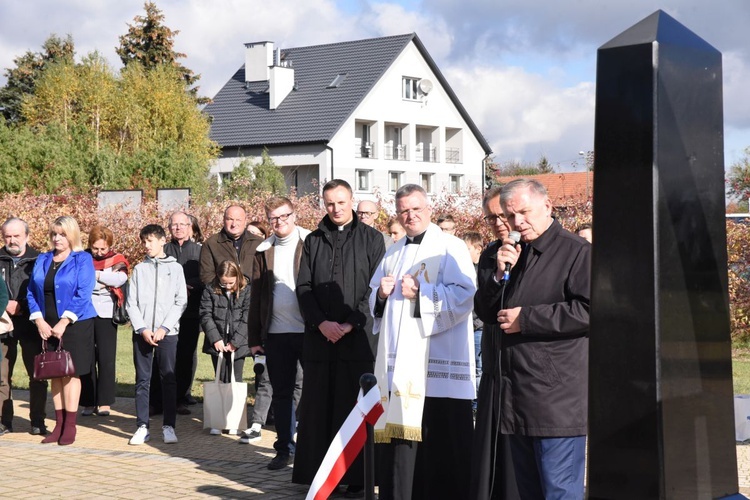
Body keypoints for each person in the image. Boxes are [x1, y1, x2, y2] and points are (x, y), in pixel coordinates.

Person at [473, 179, 590, 499]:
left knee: (558, 490)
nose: (516, 222)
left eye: (524, 212)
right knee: (526, 491)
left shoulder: (576, 252)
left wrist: (526, 319)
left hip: (555, 399)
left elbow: (589, 310)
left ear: (547, 207)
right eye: (510, 216)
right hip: (514, 396)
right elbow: (485, 312)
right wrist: (498, 276)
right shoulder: (506, 252)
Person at [370, 184, 477, 499]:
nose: (410, 215)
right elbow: (374, 302)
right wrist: (381, 294)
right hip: (400, 367)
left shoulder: (451, 246)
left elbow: (466, 294)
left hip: (438, 365)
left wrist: (423, 295)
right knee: (403, 447)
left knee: (441, 441)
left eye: (416, 209)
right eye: (403, 210)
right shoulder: (393, 251)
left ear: (428, 209)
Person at [293, 179, 385, 496]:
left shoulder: (372, 239)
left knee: (354, 408)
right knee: (318, 409)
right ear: (324, 203)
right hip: (320, 340)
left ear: (351, 201)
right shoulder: (313, 240)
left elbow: (374, 290)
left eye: (341, 202)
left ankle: (359, 477)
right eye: (330, 203)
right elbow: (303, 288)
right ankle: (318, 476)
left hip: (357, 341)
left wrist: (349, 325)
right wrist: (321, 324)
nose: (336, 209)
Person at [248, 196, 310, 469]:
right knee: (282, 393)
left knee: (311, 392)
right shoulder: (263, 250)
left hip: (309, 331)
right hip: (276, 334)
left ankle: (311, 448)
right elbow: (256, 297)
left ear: (294, 215)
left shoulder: (311, 242)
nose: (280, 222)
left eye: (284, 216)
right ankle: (284, 447)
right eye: (274, 218)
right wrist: (254, 340)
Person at [27, 216, 97, 445]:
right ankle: (58, 424)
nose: (57, 238)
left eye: (62, 234)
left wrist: (64, 321)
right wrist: (39, 320)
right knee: (55, 373)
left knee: (70, 373)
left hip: (75, 324)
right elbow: (31, 291)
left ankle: (70, 425)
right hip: (47, 325)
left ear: (72, 235)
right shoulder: (43, 258)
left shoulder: (82, 259)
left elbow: (84, 292)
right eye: (54, 234)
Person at [126, 224, 187, 445]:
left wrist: (164, 328)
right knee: (142, 380)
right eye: (144, 241)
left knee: (168, 379)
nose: (146, 245)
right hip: (143, 333)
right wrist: (142, 329)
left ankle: (169, 426)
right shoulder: (140, 269)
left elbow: (181, 301)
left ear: (162, 241)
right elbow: (131, 303)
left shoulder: (176, 268)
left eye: (150, 241)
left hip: (167, 333)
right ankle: (142, 425)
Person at [0, 217, 47, 436]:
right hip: (3, 326)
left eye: (16, 235)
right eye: (7, 236)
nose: (12, 240)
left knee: (37, 375)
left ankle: (38, 421)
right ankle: (4, 421)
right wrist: (4, 304)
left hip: (31, 325)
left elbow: (44, 291)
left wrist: (22, 305)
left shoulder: (40, 260)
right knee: (1, 377)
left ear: (27, 236)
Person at [81, 226, 129, 417]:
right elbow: (81, 281)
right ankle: (87, 401)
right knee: (87, 358)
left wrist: (98, 275)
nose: (99, 253)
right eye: (95, 249)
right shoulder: (82, 258)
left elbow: (120, 279)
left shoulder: (117, 259)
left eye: (103, 249)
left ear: (110, 245)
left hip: (108, 313)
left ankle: (105, 401)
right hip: (85, 311)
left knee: (106, 358)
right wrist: (104, 280)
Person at [200, 260, 251, 435]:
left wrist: (236, 341)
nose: (227, 286)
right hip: (218, 342)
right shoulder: (210, 288)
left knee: (235, 378)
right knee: (220, 378)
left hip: (239, 343)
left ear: (238, 277)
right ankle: (218, 419)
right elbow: (205, 314)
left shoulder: (246, 289)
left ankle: (234, 420)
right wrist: (215, 339)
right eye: (224, 282)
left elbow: (247, 316)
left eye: (230, 283)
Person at [164, 211, 204, 415]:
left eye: (182, 224)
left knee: (186, 354)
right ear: (169, 228)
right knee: (166, 355)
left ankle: (181, 397)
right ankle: (162, 398)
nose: (178, 228)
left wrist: (189, 286)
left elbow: (206, 276)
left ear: (190, 227)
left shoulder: (199, 250)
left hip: (190, 310)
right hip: (166, 312)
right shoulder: (163, 250)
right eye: (174, 225)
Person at [199, 205, 262, 286]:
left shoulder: (258, 243)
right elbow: (206, 275)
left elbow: (264, 273)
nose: (234, 224)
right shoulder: (211, 243)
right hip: (222, 295)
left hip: (252, 295)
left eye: (238, 220)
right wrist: (225, 289)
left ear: (245, 221)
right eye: (230, 219)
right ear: (224, 220)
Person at [463, 231, 484, 411]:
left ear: (478, 249)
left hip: (477, 328)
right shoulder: (462, 269)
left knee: (478, 368)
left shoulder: (481, 270)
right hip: (466, 327)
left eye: (466, 248)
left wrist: (476, 323)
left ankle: (477, 404)